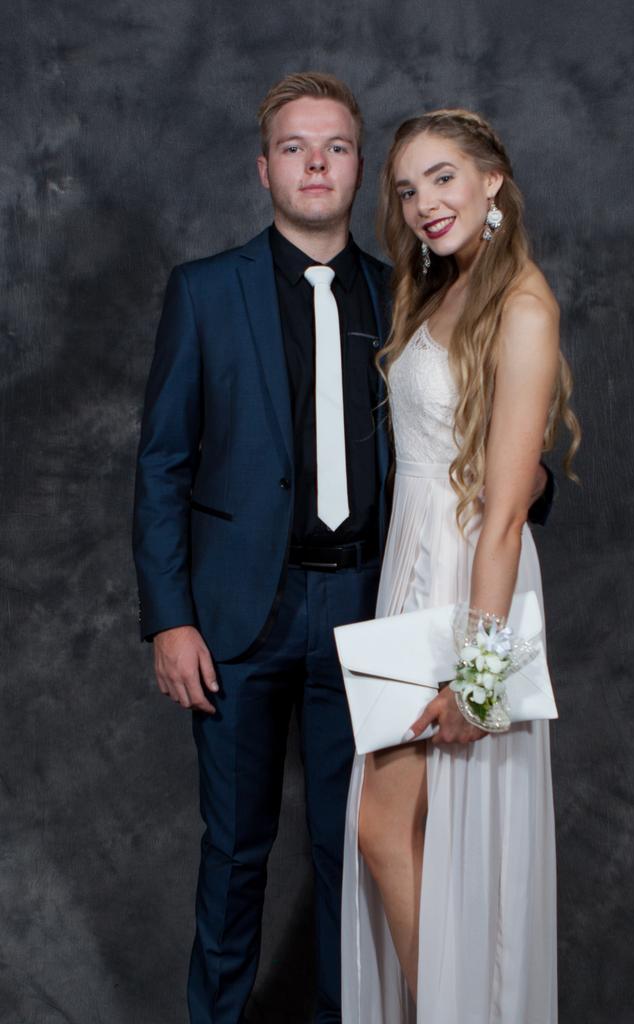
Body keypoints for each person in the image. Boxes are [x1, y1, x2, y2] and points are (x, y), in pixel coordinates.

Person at [133, 73, 552, 1022]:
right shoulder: (204, 292)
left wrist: (524, 482)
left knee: (352, 854)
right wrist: (171, 619)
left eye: (335, 147)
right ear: (264, 168)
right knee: (236, 850)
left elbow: (463, 430)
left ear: (358, 169)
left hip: (373, 605)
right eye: (294, 147)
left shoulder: (402, 289)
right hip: (241, 612)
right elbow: (161, 463)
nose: (316, 163)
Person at [341, 109, 580, 1024]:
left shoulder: (523, 301)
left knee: (426, 833)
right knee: (389, 831)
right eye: (406, 189)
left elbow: (509, 508)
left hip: (471, 581)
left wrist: (482, 680)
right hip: (405, 577)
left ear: (492, 182)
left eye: (442, 178)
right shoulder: (436, 288)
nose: (423, 203)